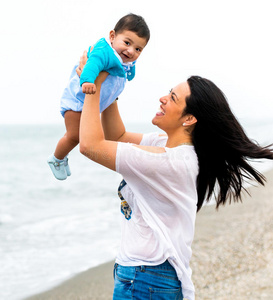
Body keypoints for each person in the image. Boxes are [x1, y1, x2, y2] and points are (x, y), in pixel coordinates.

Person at [78, 62, 273, 299]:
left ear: (189, 118)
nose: (162, 99)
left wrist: (93, 86)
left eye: (172, 98)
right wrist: (111, 85)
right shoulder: (167, 147)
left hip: (145, 277)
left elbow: (90, 145)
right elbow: (117, 136)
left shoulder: (170, 162)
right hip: (150, 276)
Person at [47, 13, 150, 180]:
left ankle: (62, 158)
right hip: (76, 101)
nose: (131, 51)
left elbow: (129, 69)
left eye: (138, 49)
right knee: (74, 136)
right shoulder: (104, 51)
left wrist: (129, 74)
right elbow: (92, 65)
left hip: (90, 104)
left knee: (83, 135)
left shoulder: (124, 58)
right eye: (127, 42)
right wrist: (87, 81)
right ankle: (56, 158)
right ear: (112, 36)